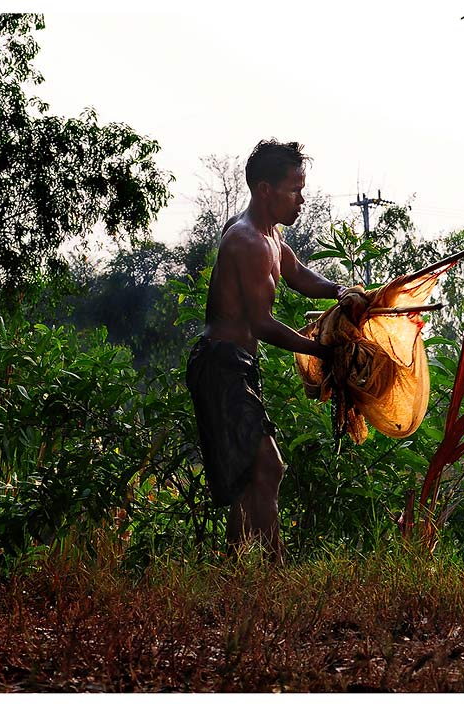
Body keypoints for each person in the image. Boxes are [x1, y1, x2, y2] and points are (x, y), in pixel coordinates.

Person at [185, 139, 367, 563]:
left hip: (239, 366)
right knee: (270, 467)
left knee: (252, 474)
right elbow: (262, 324)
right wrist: (322, 351)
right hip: (220, 366)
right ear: (265, 190)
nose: (301, 199)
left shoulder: (271, 236)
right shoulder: (246, 241)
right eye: (294, 190)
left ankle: (231, 569)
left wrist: (341, 291)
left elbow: (298, 273)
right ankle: (277, 571)